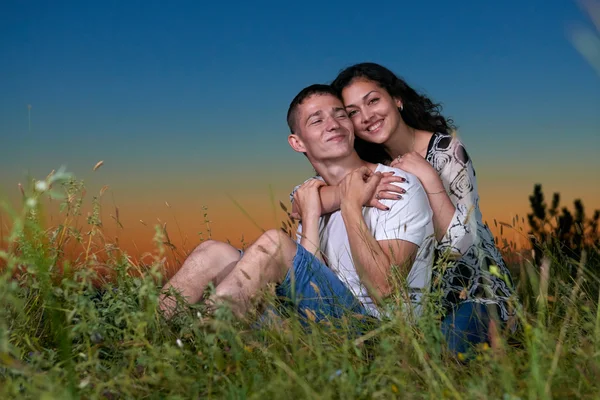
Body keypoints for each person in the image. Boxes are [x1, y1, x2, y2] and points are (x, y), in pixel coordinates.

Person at [159, 84, 435, 324]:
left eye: (340, 114)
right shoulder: (310, 194)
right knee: (212, 252)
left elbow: (383, 290)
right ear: (297, 142)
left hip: (373, 333)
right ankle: (143, 343)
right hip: (318, 322)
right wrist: (312, 214)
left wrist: (351, 206)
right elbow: (311, 283)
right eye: (317, 120)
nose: (333, 124)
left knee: (275, 245)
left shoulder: (395, 185)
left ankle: (201, 346)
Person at [291, 63, 516, 354]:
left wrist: (428, 177)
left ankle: (509, 324)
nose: (367, 116)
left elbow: (460, 245)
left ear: (396, 99)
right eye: (353, 112)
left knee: (442, 356)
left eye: (373, 101)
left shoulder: (446, 150)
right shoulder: (370, 161)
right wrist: (348, 196)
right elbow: (301, 200)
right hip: (420, 301)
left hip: (473, 291)